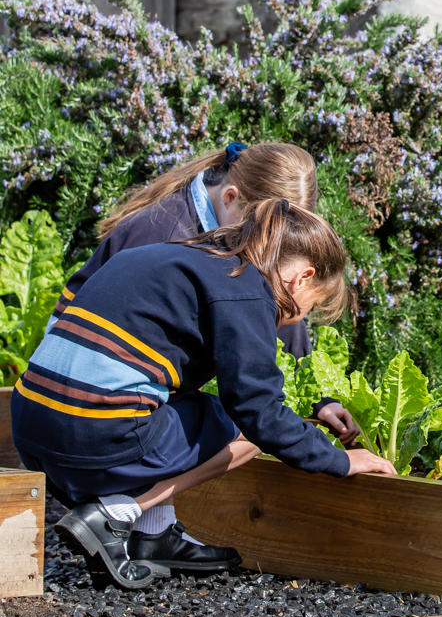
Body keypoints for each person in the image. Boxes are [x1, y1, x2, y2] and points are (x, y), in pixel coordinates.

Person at [13, 199, 395, 590]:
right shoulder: (244, 289)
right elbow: (259, 414)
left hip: (31, 428)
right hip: (92, 435)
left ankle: (155, 537)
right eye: (310, 306)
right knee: (246, 434)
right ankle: (117, 513)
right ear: (302, 278)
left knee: (176, 404)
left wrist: (315, 407)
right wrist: (341, 461)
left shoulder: (176, 254)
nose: (300, 316)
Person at [55, 142, 358, 444]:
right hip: (85, 396)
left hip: (105, 390)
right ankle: (136, 493)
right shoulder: (164, 235)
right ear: (230, 198)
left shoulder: (232, 238)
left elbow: (278, 306)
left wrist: (321, 400)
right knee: (241, 433)